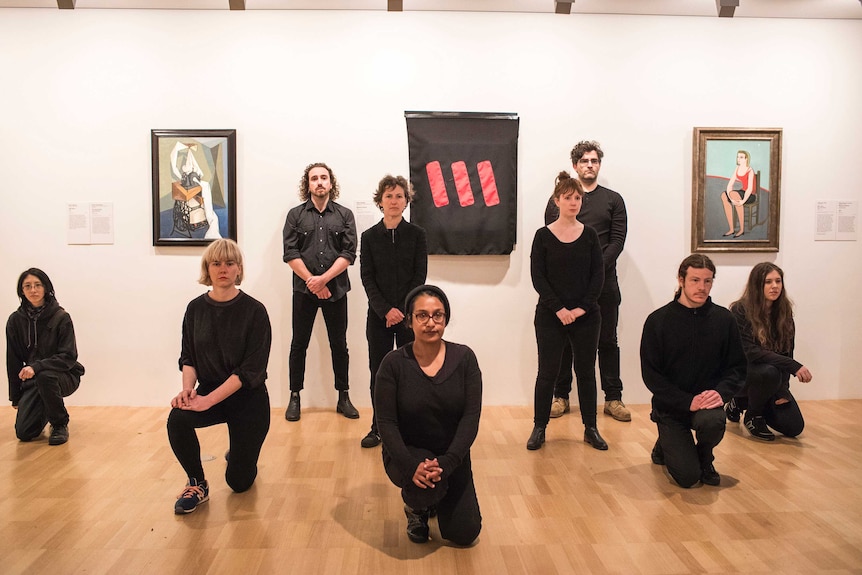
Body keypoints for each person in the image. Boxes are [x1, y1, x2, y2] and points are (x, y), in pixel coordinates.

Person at [167, 239, 272, 514]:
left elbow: (250, 371)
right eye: (216, 263)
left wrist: (207, 401)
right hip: (210, 391)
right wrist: (189, 391)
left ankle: (239, 458)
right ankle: (197, 483)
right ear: (207, 268)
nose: (222, 269)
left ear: (238, 269)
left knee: (238, 482)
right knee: (178, 417)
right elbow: (188, 357)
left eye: (229, 263)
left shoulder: (255, 311)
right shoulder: (195, 309)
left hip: (248, 399)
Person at [375, 285, 482, 545]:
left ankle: (439, 496)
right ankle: (417, 509)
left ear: (446, 319)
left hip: (449, 453)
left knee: (465, 533)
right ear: (409, 321)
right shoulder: (393, 364)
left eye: (438, 315)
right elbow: (386, 423)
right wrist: (412, 466)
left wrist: (447, 463)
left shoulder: (464, 358)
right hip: (408, 453)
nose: (431, 323)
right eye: (422, 315)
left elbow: (470, 418)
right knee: (423, 492)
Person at [640, 255, 746, 487]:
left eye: (707, 281)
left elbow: (737, 367)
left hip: (707, 404)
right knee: (688, 478)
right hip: (671, 407)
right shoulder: (658, 321)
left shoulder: (724, 319)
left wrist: (721, 394)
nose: (702, 287)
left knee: (713, 423)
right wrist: (686, 401)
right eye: (695, 280)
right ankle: (664, 444)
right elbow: (651, 375)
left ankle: (705, 458)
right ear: (681, 280)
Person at [544, 141, 630, 422]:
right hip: (566, 286)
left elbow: (617, 241)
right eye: (584, 161)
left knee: (607, 341)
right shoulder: (557, 200)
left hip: (604, 285)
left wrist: (594, 269)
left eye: (594, 161)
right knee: (565, 342)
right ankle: (561, 396)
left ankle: (613, 398)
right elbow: (551, 239)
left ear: (599, 165)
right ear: (575, 166)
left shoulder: (613, 199)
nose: (589, 165)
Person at [528, 172, 607, 451]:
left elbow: (598, 276)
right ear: (557, 200)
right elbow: (539, 278)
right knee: (547, 372)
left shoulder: (590, 236)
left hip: (586, 317)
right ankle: (539, 427)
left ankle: (591, 428)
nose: (573, 202)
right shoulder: (542, 236)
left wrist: (580, 309)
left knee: (585, 371)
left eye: (577, 198)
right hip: (551, 315)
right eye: (568, 198)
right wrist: (560, 309)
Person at [282, 162, 359, 421]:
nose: (319, 182)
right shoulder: (295, 215)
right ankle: (295, 397)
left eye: (323, 178)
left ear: (331, 183)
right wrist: (312, 282)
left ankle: (343, 396)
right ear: (308, 184)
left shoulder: (345, 215)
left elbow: (349, 253)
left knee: (339, 344)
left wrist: (323, 280)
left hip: (336, 290)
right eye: (314, 178)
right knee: (298, 344)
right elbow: (290, 253)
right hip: (303, 291)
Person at [359, 175, 428, 448]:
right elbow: (368, 278)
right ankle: (378, 427)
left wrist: (402, 310)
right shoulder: (369, 237)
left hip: (409, 317)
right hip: (378, 318)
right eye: (389, 196)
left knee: (412, 370)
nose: (394, 201)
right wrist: (386, 310)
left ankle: (412, 426)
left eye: (399, 196)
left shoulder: (417, 235)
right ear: (380, 201)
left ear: (406, 201)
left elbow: (419, 276)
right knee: (379, 372)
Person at [726, 262, 811, 440]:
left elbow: (788, 352)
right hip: (745, 374)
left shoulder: (784, 313)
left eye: (778, 281)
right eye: (768, 282)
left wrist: (783, 390)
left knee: (794, 427)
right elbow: (749, 352)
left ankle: (742, 402)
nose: (774, 286)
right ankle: (752, 415)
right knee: (768, 371)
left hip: (771, 379)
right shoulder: (740, 310)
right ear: (757, 285)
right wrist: (793, 366)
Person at [6, 268, 84, 445]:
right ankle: (47, 409)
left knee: (45, 375)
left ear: (46, 288)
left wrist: (36, 367)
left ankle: (59, 424)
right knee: (24, 433)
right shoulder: (15, 321)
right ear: (22, 291)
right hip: (34, 379)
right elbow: (13, 360)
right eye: (27, 286)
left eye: (37, 285)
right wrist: (15, 396)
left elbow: (68, 357)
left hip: (64, 376)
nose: (33, 290)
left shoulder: (61, 317)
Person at [721, 150, 756, 238]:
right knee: (724, 195)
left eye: (741, 157)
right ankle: (731, 229)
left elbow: (749, 189)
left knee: (735, 195)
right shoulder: (737, 168)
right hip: (742, 191)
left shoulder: (750, 170)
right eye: (738, 157)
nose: (738, 159)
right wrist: (730, 198)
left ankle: (741, 229)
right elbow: (730, 185)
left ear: (746, 159)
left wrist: (743, 201)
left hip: (750, 195)